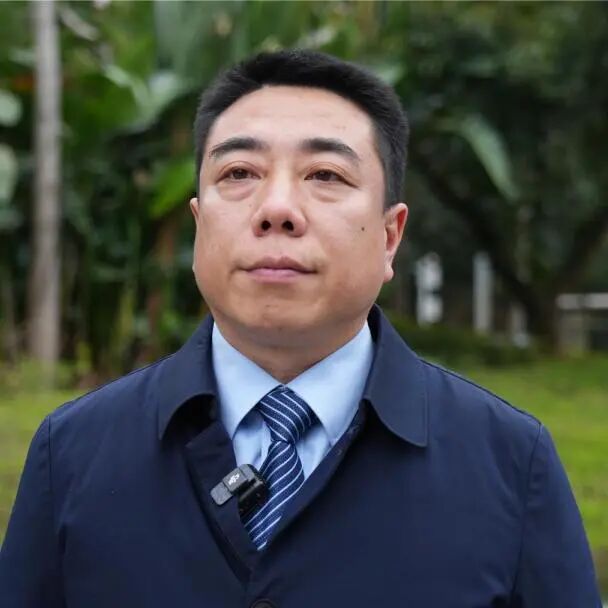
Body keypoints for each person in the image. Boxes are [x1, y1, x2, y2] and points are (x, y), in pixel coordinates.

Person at [0, 49, 601, 607]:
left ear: (390, 236)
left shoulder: (511, 463)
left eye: (325, 175)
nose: (277, 209)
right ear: (198, 224)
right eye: (239, 172)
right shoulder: (72, 455)